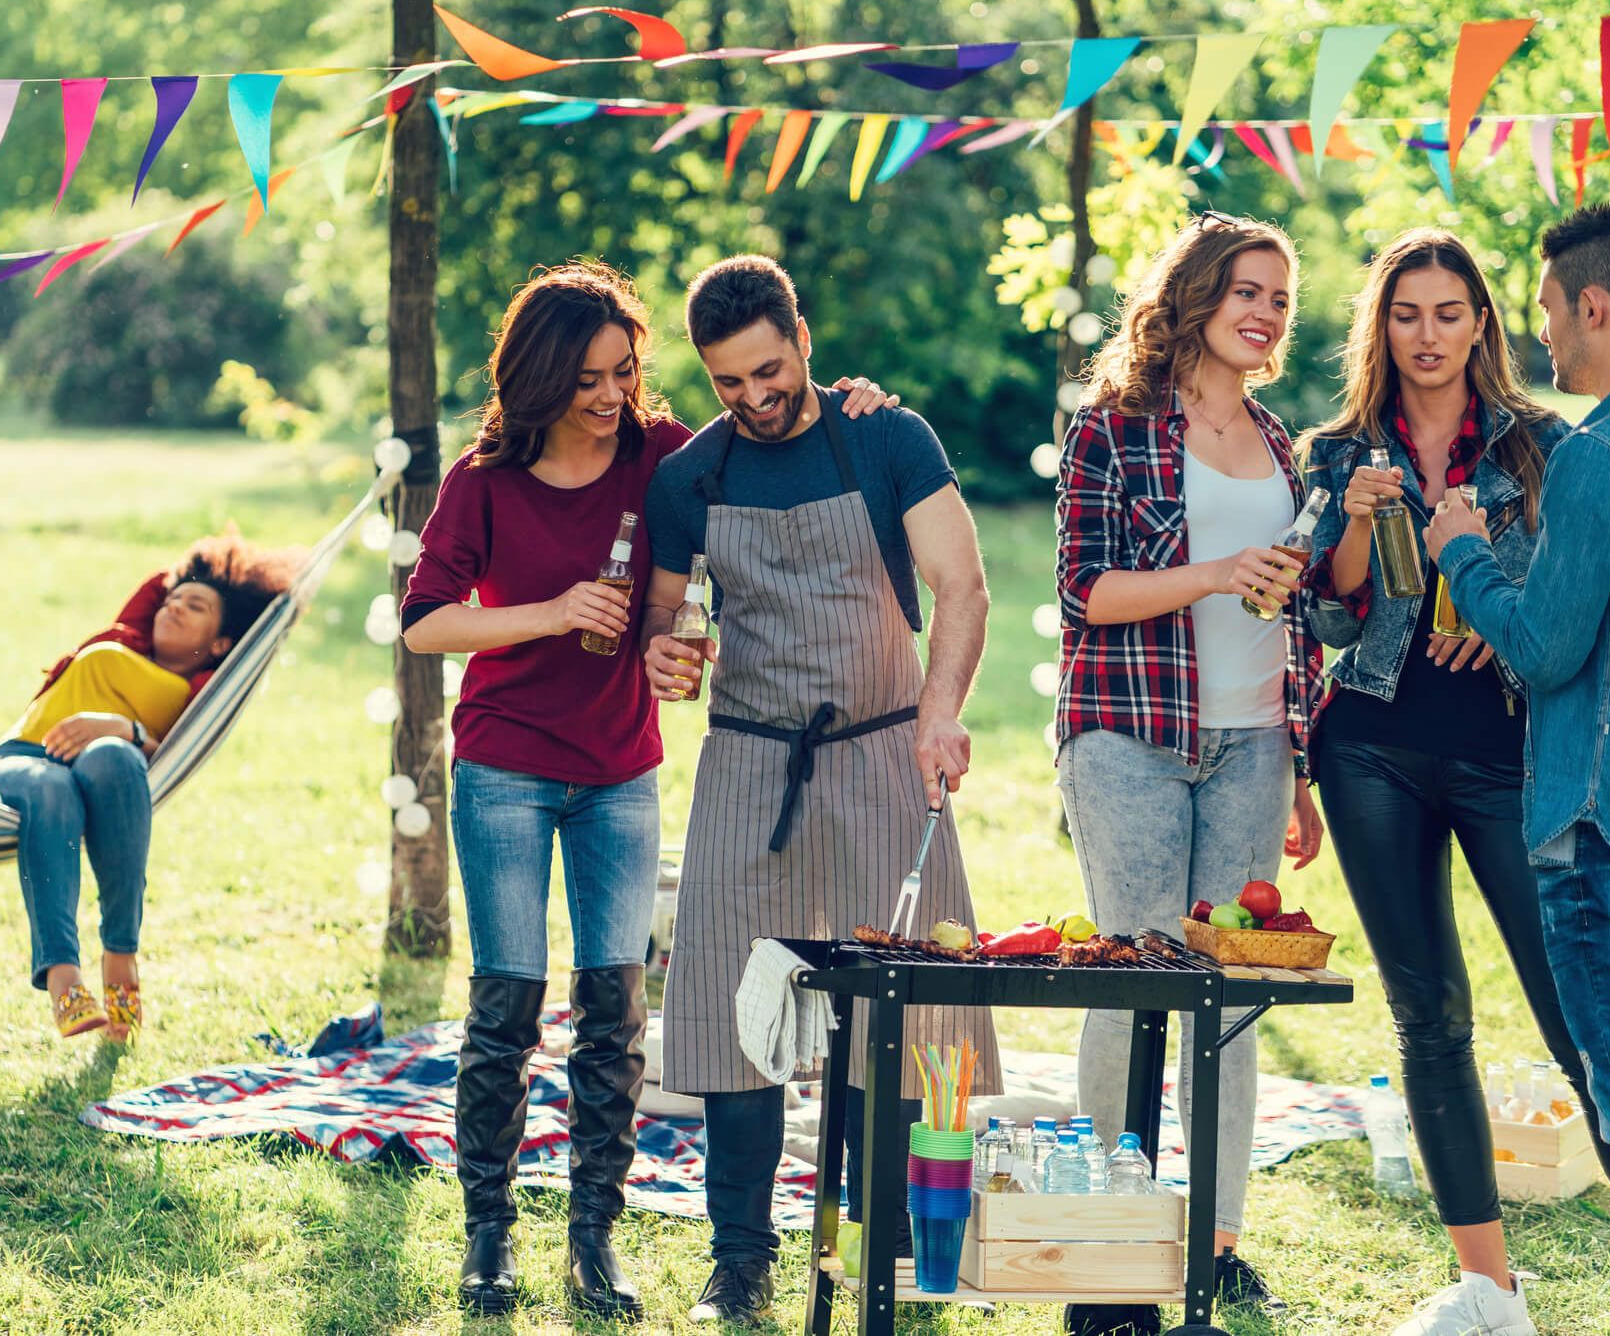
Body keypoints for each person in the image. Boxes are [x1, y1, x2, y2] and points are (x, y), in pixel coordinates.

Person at [400, 262, 893, 1320]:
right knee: (505, 1007)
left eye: (624, 370)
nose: (611, 394)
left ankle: (593, 1238)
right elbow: (425, 622)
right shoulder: (481, 483)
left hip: (619, 769)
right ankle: (488, 1235)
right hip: (503, 765)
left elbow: (776, 442)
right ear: (536, 377)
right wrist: (547, 611)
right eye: (586, 377)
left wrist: (862, 402)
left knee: (613, 1012)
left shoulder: (665, 460)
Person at [641, 254, 996, 1326]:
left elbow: (961, 583)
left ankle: (885, 1237)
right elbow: (663, 618)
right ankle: (739, 1261)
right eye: (726, 384)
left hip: (885, 744)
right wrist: (663, 655)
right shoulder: (689, 478)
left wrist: (939, 711)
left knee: (903, 996)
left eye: (767, 371)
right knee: (726, 1006)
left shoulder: (887, 435)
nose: (752, 399)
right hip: (749, 755)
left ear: (801, 337)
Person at [1298, 228, 1610, 1336]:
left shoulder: (1543, 446)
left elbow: (1565, 611)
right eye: (1404, 314)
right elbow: (1333, 618)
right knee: (1426, 1014)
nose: (1426, 335)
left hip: (1503, 754)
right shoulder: (1337, 450)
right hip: (1370, 748)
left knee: (1573, 1007)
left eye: (1447, 312)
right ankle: (1489, 1293)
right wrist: (1351, 524)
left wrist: (1494, 610)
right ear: (1378, 327)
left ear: (1481, 321)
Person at [1426, 202, 1610, 1336]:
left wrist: (1461, 554)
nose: (1540, 338)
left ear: (1592, 303)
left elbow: (1539, 647)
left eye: (1542, 310)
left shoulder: (1602, 455)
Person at [1053, 211, 1324, 1335]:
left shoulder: (1280, 440)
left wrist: (1298, 766)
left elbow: (1296, 614)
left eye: (1277, 297)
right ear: (1196, 295)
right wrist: (1211, 572)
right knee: (1132, 980)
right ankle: (1108, 1250)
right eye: (1244, 292)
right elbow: (1084, 593)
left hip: (1252, 741)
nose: (1262, 314)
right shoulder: (1111, 428)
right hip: (1127, 734)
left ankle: (1210, 1247)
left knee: (1231, 996)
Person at [0, 531, 303, 1044]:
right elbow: (159, 585)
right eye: (173, 602)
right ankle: (64, 978)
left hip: (106, 764)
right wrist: (189, 581)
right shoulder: (128, 641)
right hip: (26, 758)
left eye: (194, 606)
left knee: (116, 757)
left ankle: (120, 953)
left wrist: (121, 729)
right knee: (53, 790)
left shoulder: (197, 698)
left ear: (220, 644)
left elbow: (161, 753)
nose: (173, 606)